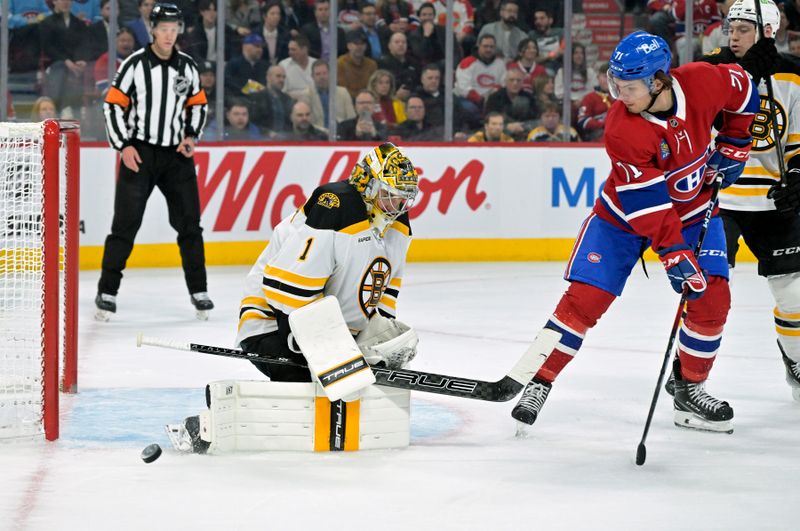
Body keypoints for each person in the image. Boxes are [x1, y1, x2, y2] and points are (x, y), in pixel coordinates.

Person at [510, 31, 759, 434]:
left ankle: (689, 389)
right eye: (616, 85)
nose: (619, 95)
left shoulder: (702, 80)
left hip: (694, 210)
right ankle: (539, 381)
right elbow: (648, 206)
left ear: (659, 81)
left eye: (628, 87)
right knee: (585, 301)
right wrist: (674, 253)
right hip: (621, 220)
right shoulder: (622, 128)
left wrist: (735, 142)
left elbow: (745, 89)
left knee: (713, 296)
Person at [235, 142, 418, 383]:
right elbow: (286, 292)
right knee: (308, 381)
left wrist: (376, 337)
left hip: (334, 332)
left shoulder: (397, 224)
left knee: (363, 383)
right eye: (389, 195)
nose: (396, 206)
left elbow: (384, 286)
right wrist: (314, 349)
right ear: (368, 184)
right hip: (270, 324)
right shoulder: (336, 205)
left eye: (402, 198)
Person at [699, 0, 800, 401]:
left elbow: (795, 142)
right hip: (720, 199)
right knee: (707, 292)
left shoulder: (792, 75)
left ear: (768, 32)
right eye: (731, 28)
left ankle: (796, 362)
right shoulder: (712, 68)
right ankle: (689, 377)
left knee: (794, 296)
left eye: (744, 29)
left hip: (773, 204)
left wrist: (797, 176)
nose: (733, 36)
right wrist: (742, 75)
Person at [97, 3, 213, 320]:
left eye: (174, 28)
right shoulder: (135, 65)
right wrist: (123, 146)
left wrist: (191, 136)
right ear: (152, 29)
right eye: (163, 28)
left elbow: (199, 105)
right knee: (125, 225)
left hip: (176, 157)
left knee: (190, 225)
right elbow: (112, 105)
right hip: (141, 154)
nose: (169, 34)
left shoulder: (187, 66)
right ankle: (107, 291)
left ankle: (199, 290)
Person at [289, 60, 356, 129]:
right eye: (318, 74)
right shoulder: (306, 95)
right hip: (317, 135)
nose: (322, 77)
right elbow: (306, 121)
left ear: (330, 74)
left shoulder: (343, 92)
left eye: (324, 73)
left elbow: (351, 118)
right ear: (312, 76)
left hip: (341, 134)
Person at [576, 62, 614, 142]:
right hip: (597, 136)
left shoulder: (622, 98)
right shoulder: (589, 98)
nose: (608, 80)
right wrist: (603, 124)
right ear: (598, 77)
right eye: (605, 77)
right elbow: (582, 120)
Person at [338, 30, 378, 98]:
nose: (359, 47)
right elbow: (342, 90)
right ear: (348, 46)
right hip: (347, 101)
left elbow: (374, 87)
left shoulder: (372, 64)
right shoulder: (340, 63)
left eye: (362, 44)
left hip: (368, 101)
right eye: (356, 43)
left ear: (366, 46)